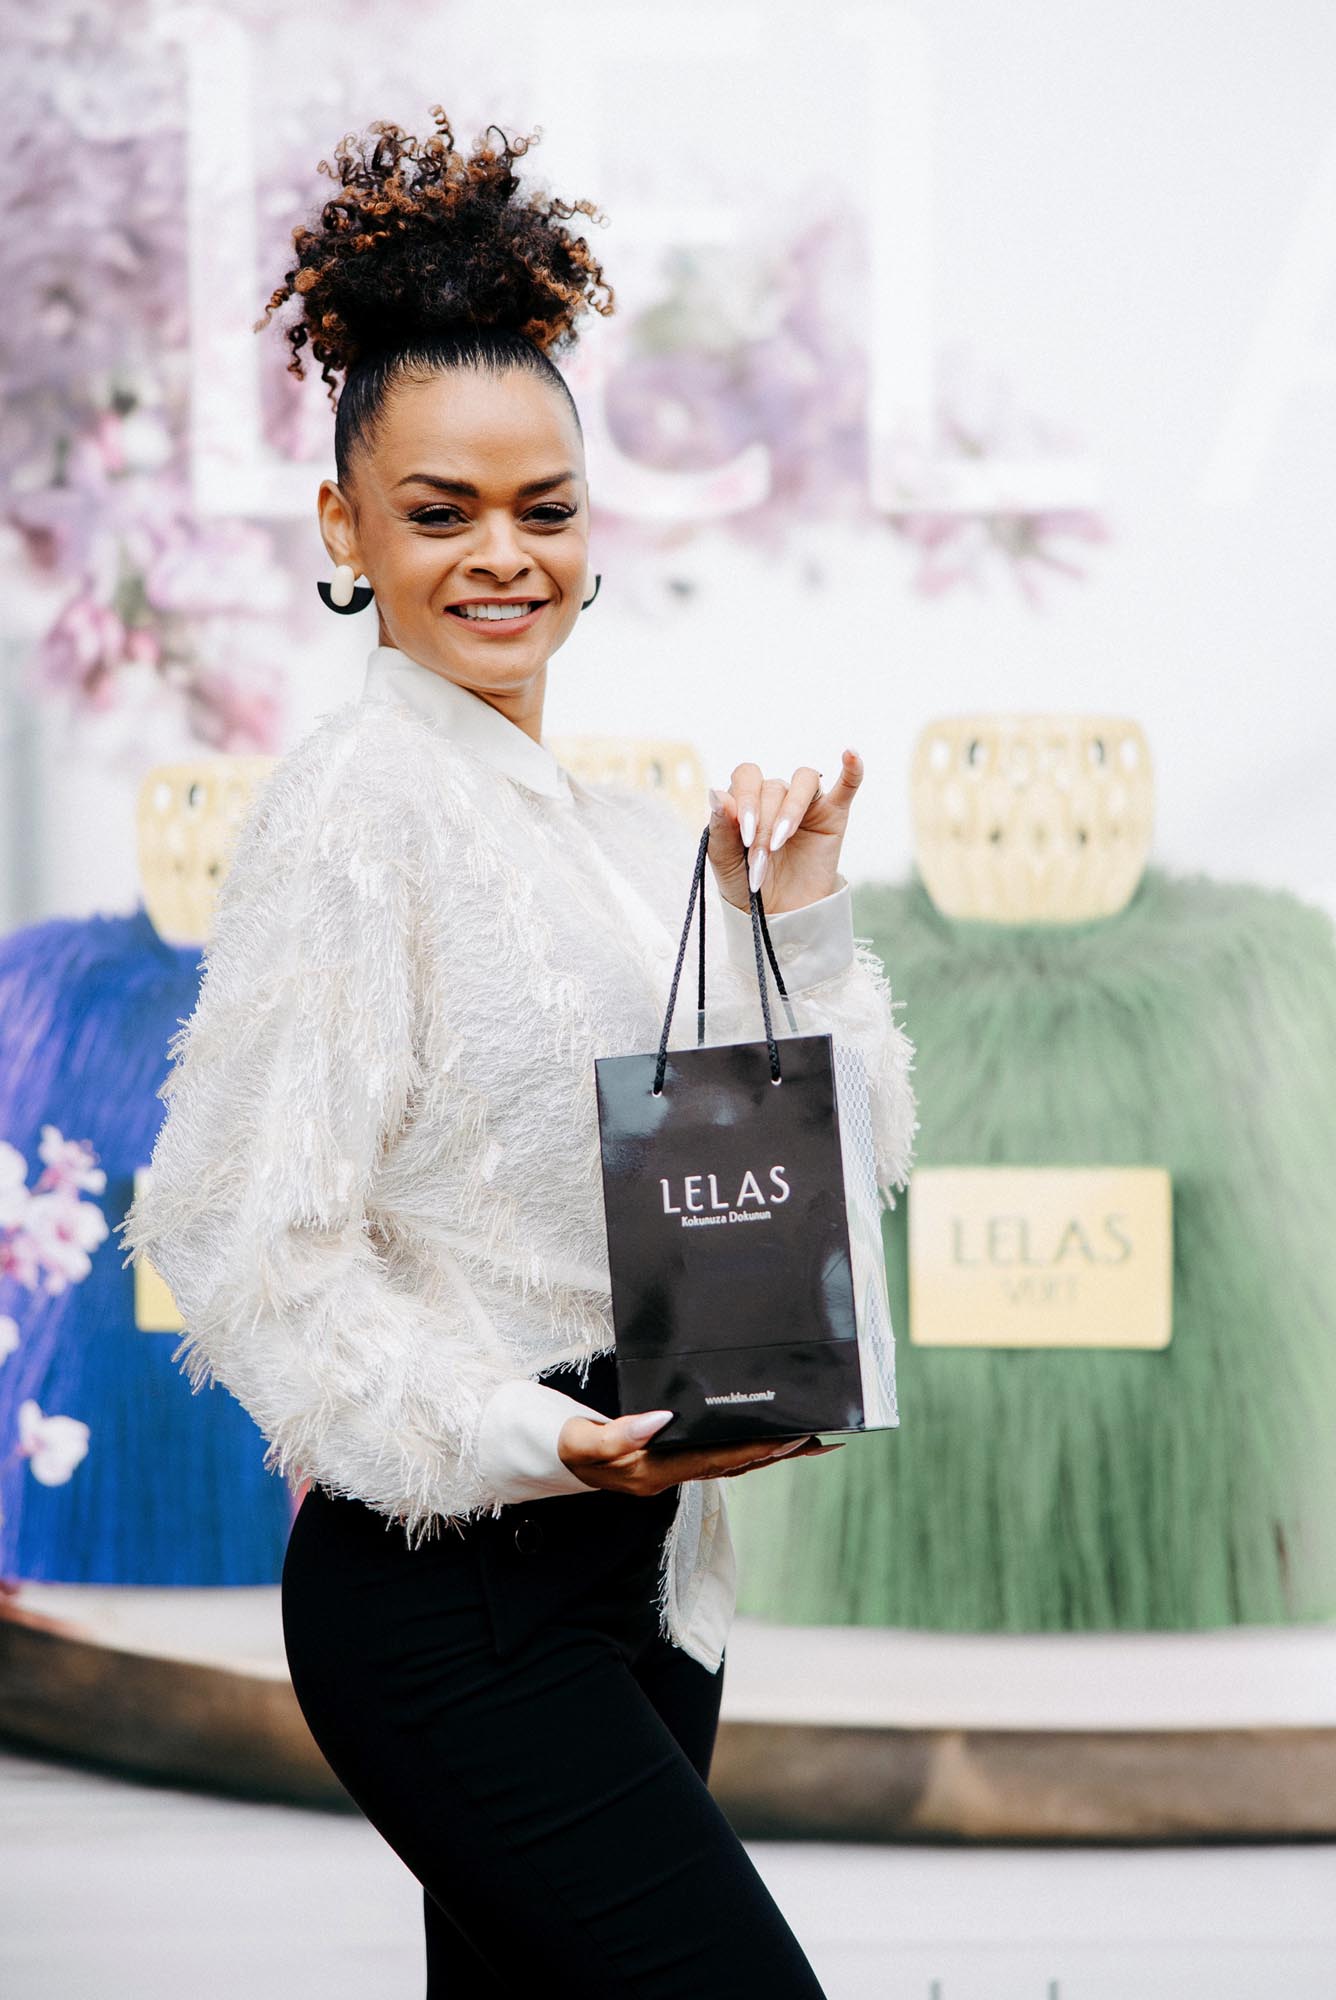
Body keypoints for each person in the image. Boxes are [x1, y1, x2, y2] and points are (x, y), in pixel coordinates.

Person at [119, 107, 917, 1999]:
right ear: (344, 527)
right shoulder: (354, 813)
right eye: (440, 511)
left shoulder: (631, 847)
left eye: (544, 509)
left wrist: (794, 916)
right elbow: (242, 1244)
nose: (503, 557)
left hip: (647, 1582)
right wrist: (526, 1433)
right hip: (452, 1596)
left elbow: (833, 1168)